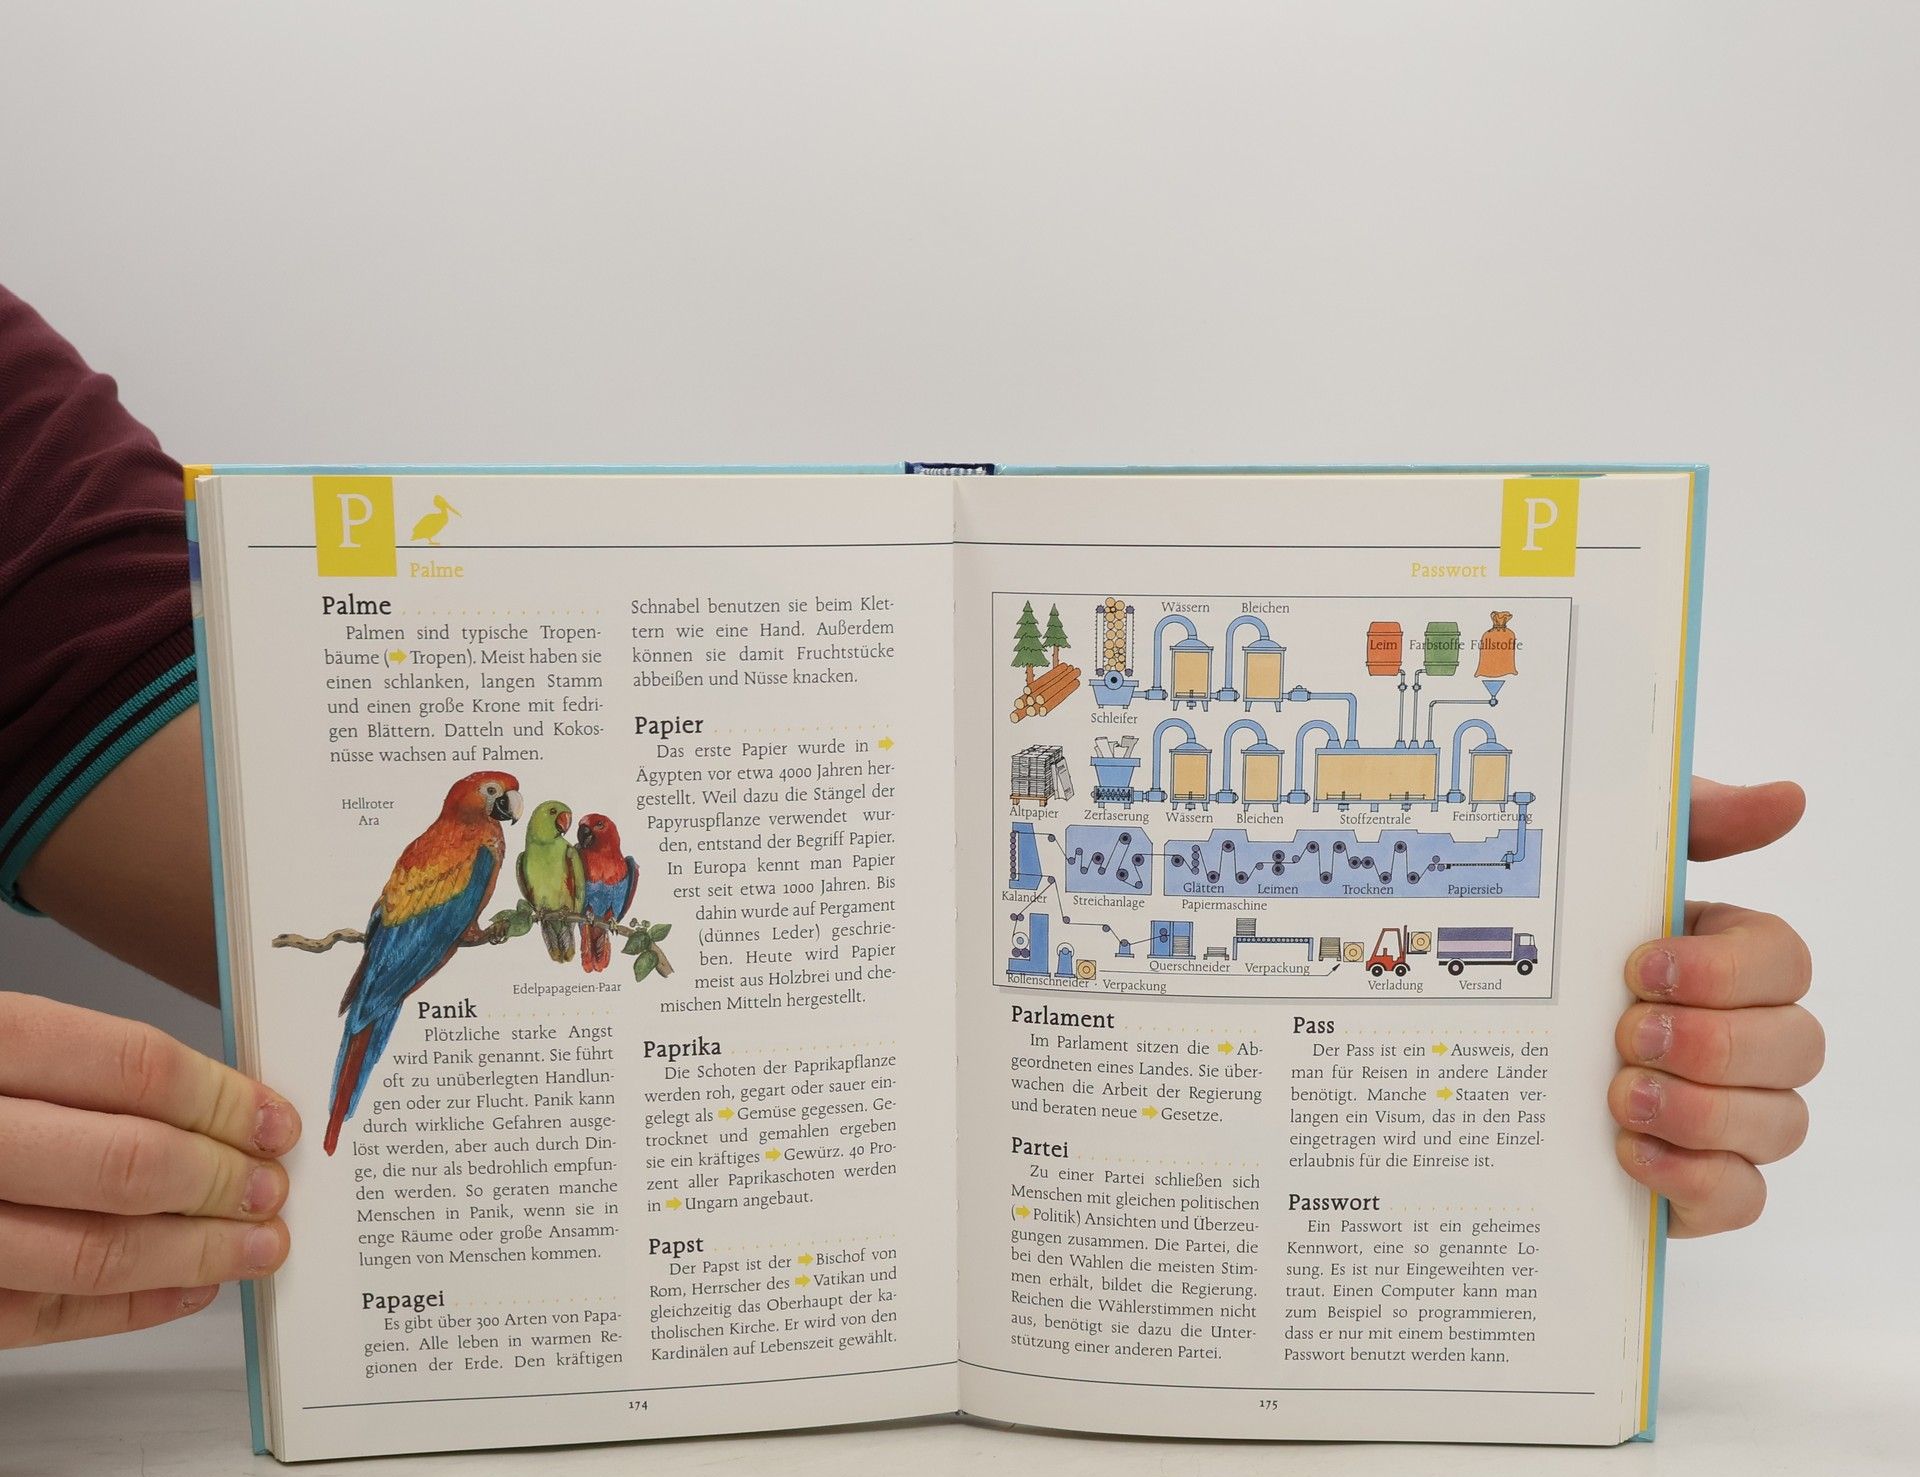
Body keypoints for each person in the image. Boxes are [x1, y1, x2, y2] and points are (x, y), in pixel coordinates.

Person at [0, 285, 1826, 1349]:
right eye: (508, 807)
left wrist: (1508, 846)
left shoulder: (480, 842)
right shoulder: (480, 852)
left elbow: (166, 744)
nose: (516, 810)